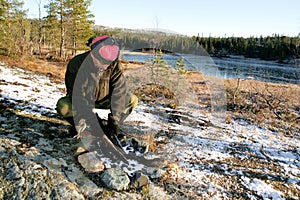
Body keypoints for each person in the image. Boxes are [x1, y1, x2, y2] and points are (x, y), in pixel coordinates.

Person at [56, 35, 138, 144]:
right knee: (63, 105)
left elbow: (119, 93)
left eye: (108, 64)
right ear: (92, 54)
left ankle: (110, 128)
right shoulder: (77, 64)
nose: (105, 67)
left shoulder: (114, 65)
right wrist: (95, 122)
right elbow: (78, 97)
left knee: (132, 99)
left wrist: (115, 120)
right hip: (83, 101)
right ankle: (83, 126)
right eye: (102, 62)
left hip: (105, 100)